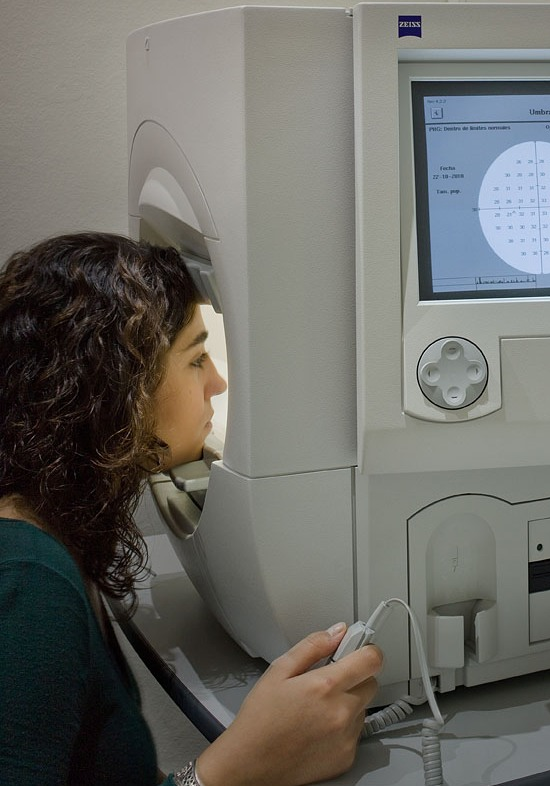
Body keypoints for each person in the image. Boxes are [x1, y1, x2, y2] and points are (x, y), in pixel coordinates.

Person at [0, 232, 383, 786]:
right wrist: (232, 768)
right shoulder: (27, 583)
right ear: (115, 387)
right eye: (197, 357)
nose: (218, 382)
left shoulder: (53, 534)